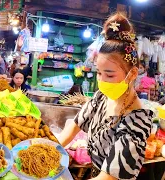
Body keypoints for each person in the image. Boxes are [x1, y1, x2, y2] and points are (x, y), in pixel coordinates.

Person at [58, 13, 154, 179]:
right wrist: (51, 148)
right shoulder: (101, 97)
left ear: (132, 74)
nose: (101, 81)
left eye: (109, 75)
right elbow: (75, 125)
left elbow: (109, 177)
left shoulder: (137, 121)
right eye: (99, 73)